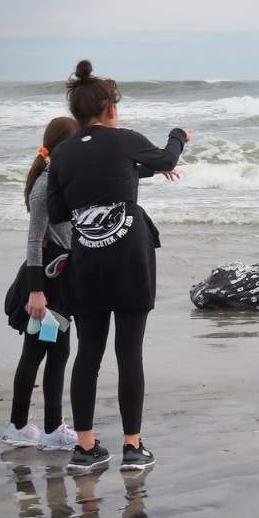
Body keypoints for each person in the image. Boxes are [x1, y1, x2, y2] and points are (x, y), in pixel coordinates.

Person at [46, 60, 191, 472]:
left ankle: (86, 448)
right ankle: (132, 446)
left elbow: (58, 212)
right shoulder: (125, 139)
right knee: (129, 351)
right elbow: (166, 158)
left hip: (87, 260)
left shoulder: (63, 153)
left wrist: (124, 177)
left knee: (88, 352)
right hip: (129, 257)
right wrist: (179, 137)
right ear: (111, 108)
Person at [2, 117, 81, 450]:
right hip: (44, 284)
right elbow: (34, 241)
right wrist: (36, 292)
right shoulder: (44, 186)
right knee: (34, 355)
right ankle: (21, 426)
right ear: (63, 146)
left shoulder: (60, 180)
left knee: (58, 354)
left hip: (60, 280)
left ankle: (47, 428)